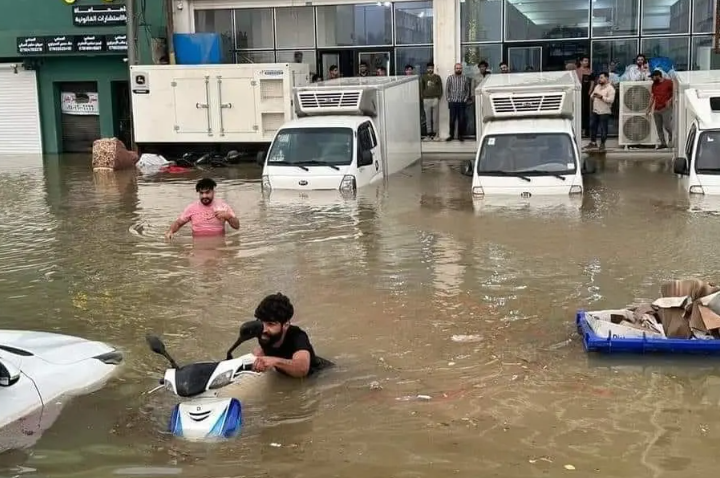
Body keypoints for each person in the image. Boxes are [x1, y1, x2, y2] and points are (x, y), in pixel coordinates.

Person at [251, 293, 331, 378]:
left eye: (271, 324)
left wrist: (274, 361)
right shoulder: (263, 332)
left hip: (322, 375)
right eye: (260, 321)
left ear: (286, 325)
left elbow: (302, 369)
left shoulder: (298, 336)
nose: (264, 329)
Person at [164, 178, 239, 240]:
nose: (204, 196)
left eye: (207, 192)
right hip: (198, 244)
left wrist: (228, 217)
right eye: (201, 193)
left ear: (213, 192)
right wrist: (170, 231)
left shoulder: (223, 206)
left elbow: (236, 226)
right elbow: (178, 223)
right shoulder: (192, 208)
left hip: (218, 244)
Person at [585, 72, 616, 151]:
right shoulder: (597, 86)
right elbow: (592, 96)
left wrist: (601, 97)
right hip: (595, 110)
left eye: (601, 77)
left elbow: (611, 100)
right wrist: (594, 96)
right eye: (599, 78)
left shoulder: (610, 88)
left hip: (604, 111)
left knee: (603, 128)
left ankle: (602, 144)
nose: (600, 79)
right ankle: (593, 143)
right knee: (592, 126)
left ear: (607, 78)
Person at [445, 62, 471, 142]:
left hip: (461, 102)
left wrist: (465, 99)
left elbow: (467, 90)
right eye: (457, 68)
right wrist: (449, 99)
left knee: (461, 119)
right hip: (453, 101)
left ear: (462, 69)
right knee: (452, 119)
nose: (458, 69)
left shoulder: (465, 78)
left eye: (460, 68)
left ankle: (460, 136)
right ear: (454, 69)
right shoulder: (450, 78)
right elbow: (447, 89)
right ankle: (451, 135)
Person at [648, 69, 674, 149]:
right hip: (656, 109)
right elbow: (652, 97)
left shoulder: (668, 82)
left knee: (667, 126)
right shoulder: (654, 85)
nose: (652, 79)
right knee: (658, 128)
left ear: (658, 76)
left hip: (666, 108)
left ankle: (671, 136)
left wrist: (670, 100)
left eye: (653, 77)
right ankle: (663, 143)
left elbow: (675, 93)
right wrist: (649, 108)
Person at [420, 62, 443, 141]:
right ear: (427, 69)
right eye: (429, 68)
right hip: (426, 99)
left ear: (433, 68)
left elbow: (440, 87)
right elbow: (421, 88)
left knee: (435, 118)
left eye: (431, 68)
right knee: (428, 118)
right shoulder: (423, 77)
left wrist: (439, 96)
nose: (430, 69)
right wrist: (422, 97)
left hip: (435, 99)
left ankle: (436, 135)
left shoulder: (437, 77)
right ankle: (428, 135)